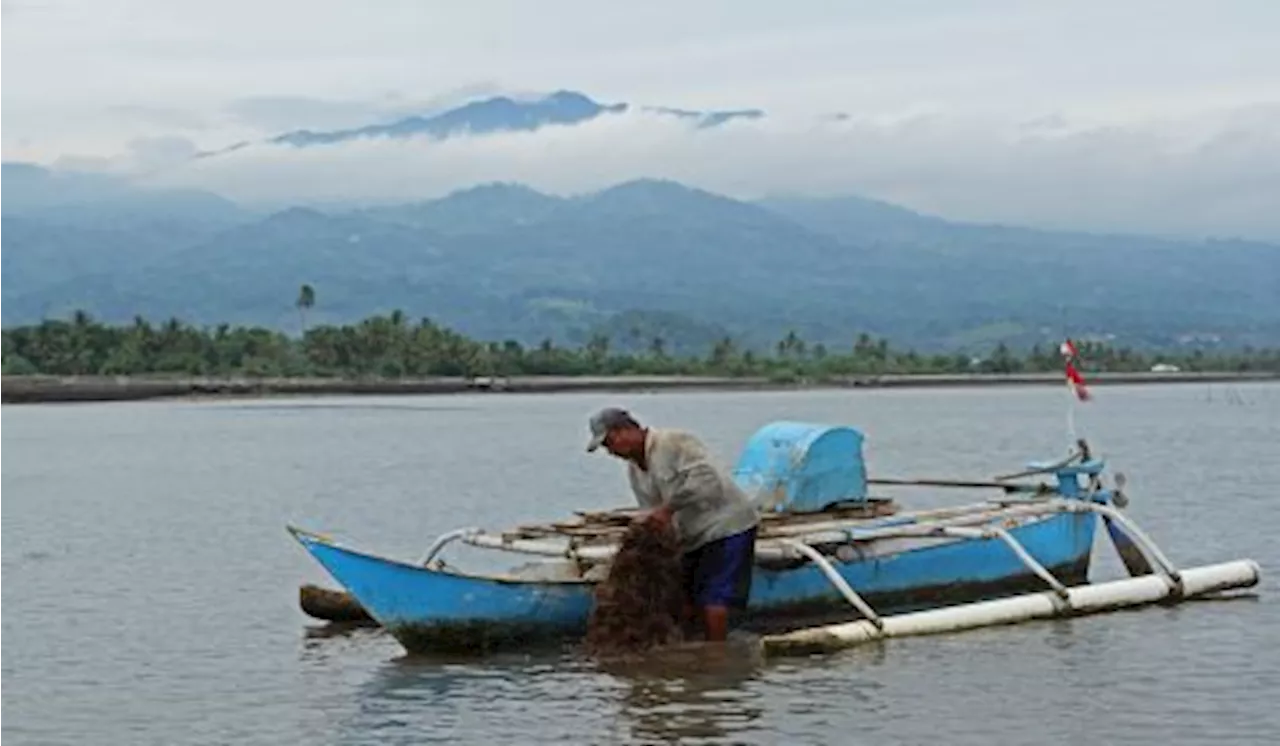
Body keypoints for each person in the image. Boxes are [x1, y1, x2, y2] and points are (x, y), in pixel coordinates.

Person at [585, 407, 760, 642]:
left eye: (609, 443)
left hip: (725, 526)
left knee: (712, 600)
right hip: (691, 536)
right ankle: (694, 647)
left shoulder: (674, 442)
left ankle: (716, 657)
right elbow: (652, 512)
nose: (610, 452)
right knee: (683, 600)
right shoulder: (635, 470)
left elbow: (707, 483)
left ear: (626, 430)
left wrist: (668, 509)